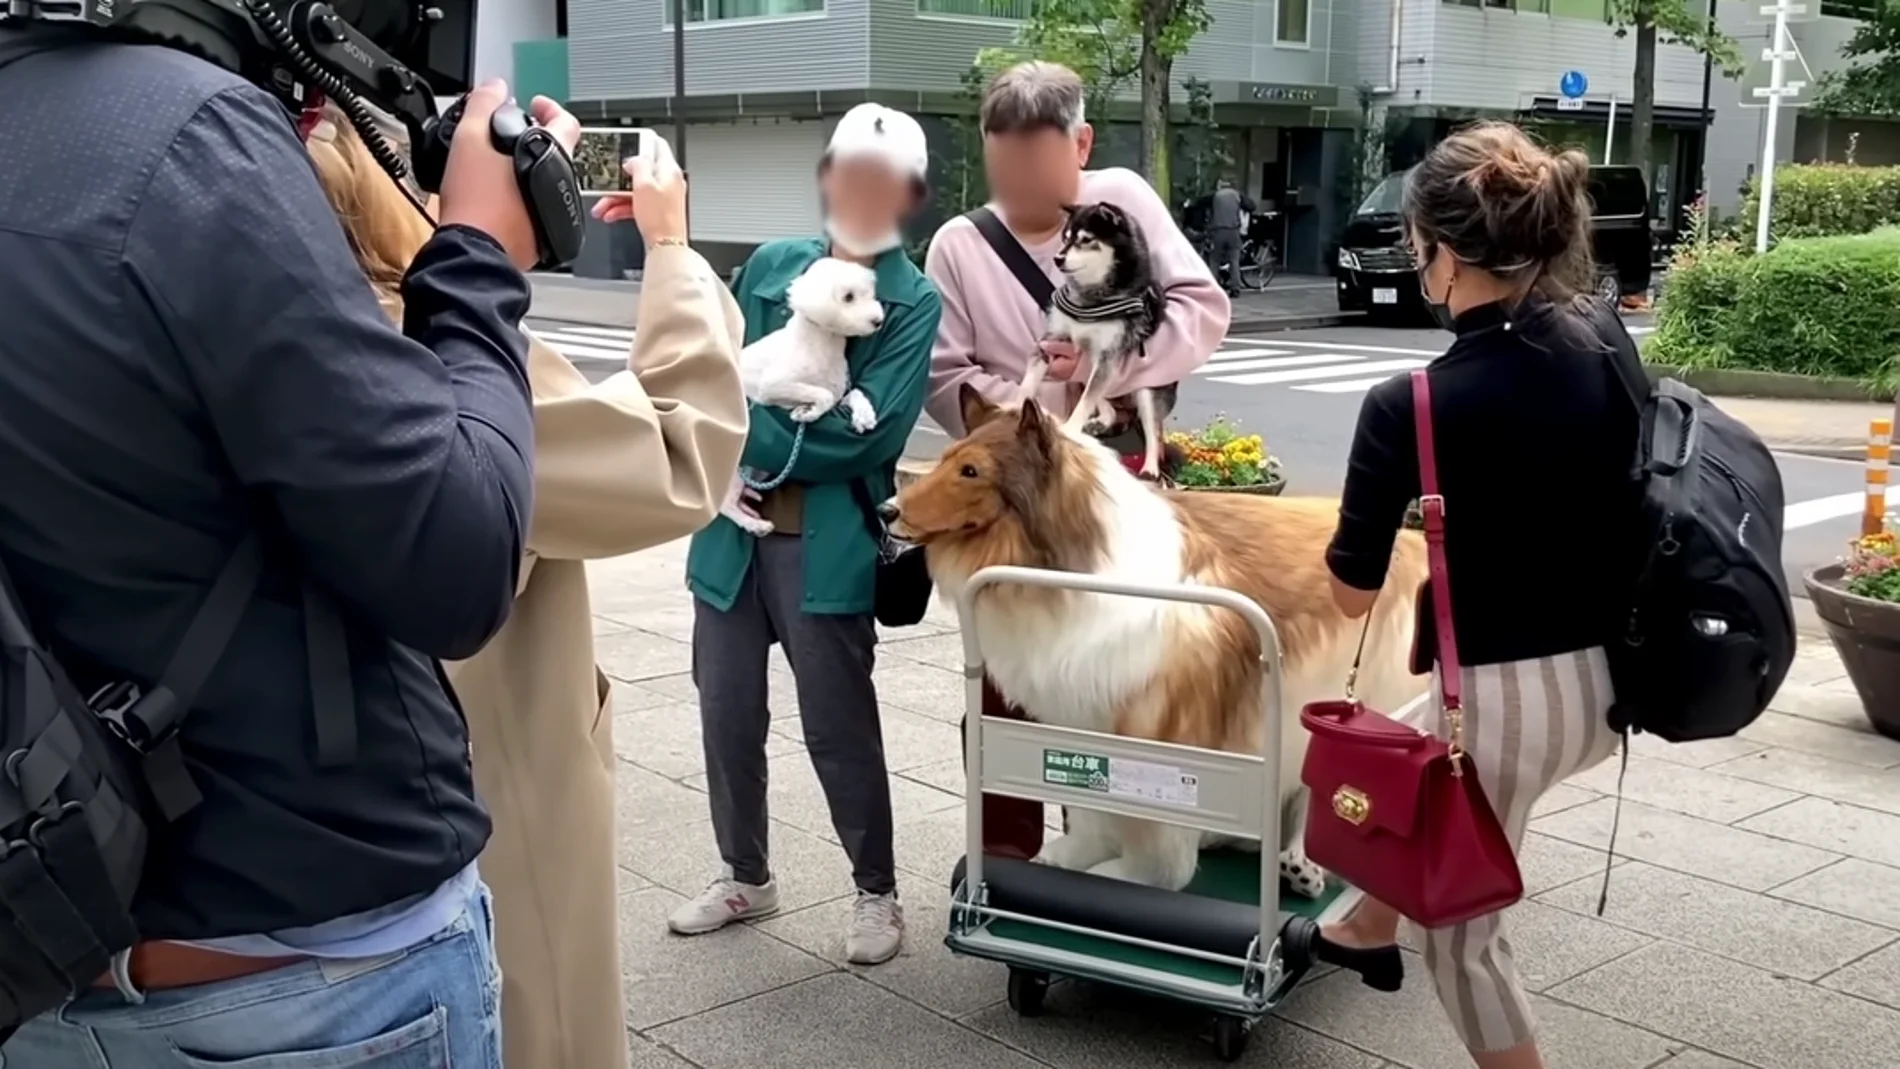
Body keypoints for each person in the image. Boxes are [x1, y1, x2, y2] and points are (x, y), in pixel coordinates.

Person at [0, 17, 574, 1064]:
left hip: (35, 958)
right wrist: (481, 256)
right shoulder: (183, 135)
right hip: (304, 976)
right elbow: (456, 558)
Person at [303, 110, 748, 1069]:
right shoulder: (425, 365)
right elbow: (685, 442)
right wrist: (670, 246)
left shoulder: (227, 338)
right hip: (476, 813)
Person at [1318, 122, 1640, 1069]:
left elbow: (1348, 596)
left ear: (1446, 259)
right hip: (1614, 678)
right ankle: (1366, 924)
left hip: (1506, 700)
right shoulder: (1602, 335)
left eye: (1418, 252)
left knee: (1462, 936)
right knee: (1413, 757)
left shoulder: (1412, 403)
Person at [922, 60, 1229, 862]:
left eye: (1037, 162)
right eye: (1004, 163)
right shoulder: (959, 245)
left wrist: (1107, 375)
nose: (1020, 182)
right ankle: (1008, 863)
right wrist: (1032, 421)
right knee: (1004, 685)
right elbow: (944, 375)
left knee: (1125, 680)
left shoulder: (1121, 197)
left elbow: (1201, 309)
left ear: (1081, 143)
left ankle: (1126, 848)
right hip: (1012, 510)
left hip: (1116, 499)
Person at [672, 103, 942, 965]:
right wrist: (716, 459)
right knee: (725, 713)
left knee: (837, 723)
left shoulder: (912, 297)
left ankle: (877, 892)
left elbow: (869, 436)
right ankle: (743, 871)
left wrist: (730, 443)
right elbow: (715, 375)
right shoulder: (776, 265)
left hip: (825, 543)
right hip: (729, 538)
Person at [1207, 176, 1258, 296]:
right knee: (1234, 261)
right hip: (1233, 232)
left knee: (1215, 260)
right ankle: (1235, 288)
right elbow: (1252, 206)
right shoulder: (1237, 195)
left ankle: (1212, 289)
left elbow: (1201, 204)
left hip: (1218, 232)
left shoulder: (1215, 195)